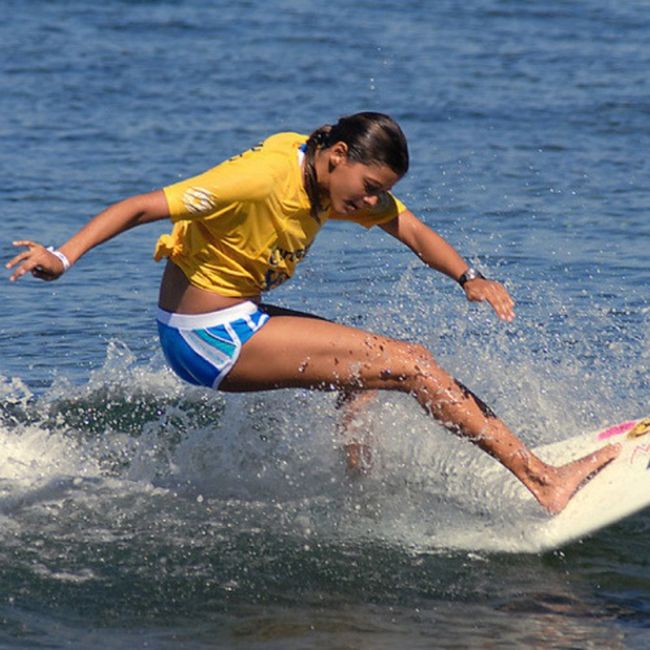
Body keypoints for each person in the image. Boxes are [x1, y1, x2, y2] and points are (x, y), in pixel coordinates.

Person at [7, 112, 619, 514]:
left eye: (379, 190)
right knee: (412, 364)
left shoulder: (324, 177)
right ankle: (545, 483)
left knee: (366, 377)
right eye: (369, 186)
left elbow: (407, 225)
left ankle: (359, 496)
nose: (372, 202)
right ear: (338, 154)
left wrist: (468, 277)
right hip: (209, 336)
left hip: (233, 314)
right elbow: (141, 207)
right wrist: (63, 256)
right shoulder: (259, 178)